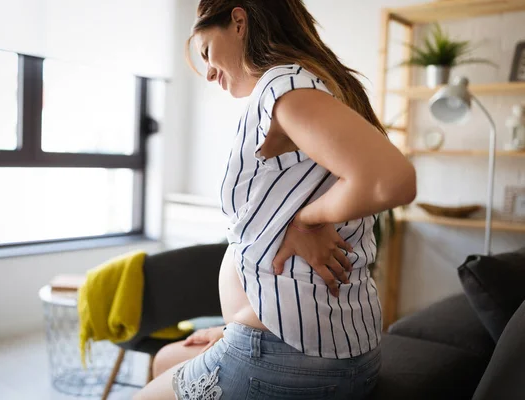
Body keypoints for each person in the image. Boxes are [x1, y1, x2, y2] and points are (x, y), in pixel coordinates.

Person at [134, 1, 416, 399]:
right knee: (165, 358)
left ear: (238, 22)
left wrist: (306, 220)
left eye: (207, 53)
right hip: (307, 338)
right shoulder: (319, 85)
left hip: (287, 352)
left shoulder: (282, 86)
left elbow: (393, 180)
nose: (209, 73)